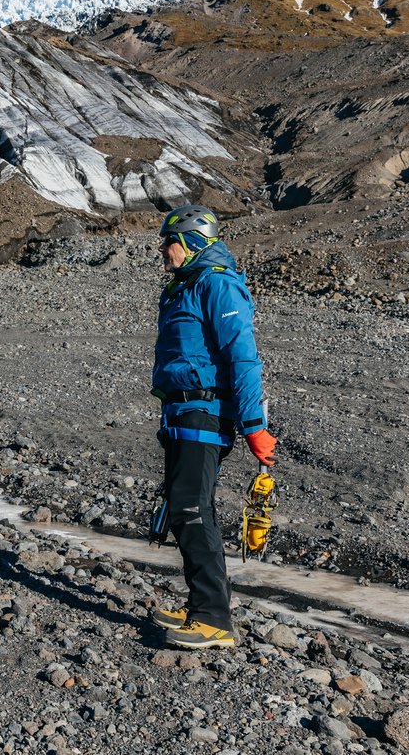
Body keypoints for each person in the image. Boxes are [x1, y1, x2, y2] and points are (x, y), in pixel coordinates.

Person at [149, 204, 276, 650]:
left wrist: (255, 425)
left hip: (205, 413)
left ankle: (213, 618)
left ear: (191, 243)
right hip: (183, 413)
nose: (163, 250)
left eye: (169, 242)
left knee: (190, 509)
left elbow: (243, 356)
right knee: (188, 507)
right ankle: (201, 605)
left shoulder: (218, 284)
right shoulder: (186, 286)